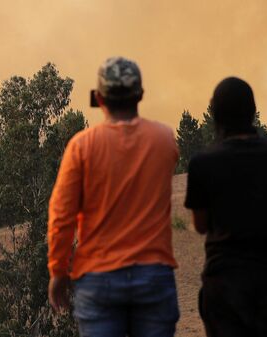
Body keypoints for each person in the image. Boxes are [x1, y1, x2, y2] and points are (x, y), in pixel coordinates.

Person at [47, 57, 180, 337]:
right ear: (140, 95)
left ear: (98, 98)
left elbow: (62, 217)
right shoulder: (164, 140)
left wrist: (58, 271)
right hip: (154, 275)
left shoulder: (81, 147)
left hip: (98, 278)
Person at [185, 77, 267, 337]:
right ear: (252, 111)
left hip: (222, 284)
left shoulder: (203, 163)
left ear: (216, 115)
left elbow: (200, 226)